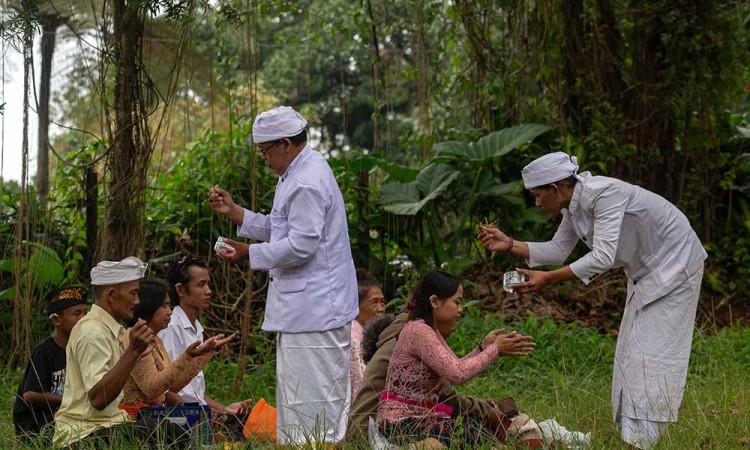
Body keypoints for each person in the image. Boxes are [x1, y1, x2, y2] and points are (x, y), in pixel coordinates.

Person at [478, 151, 707, 449]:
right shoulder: (573, 207)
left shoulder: (605, 195)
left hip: (677, 268)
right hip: (645, 274)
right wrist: (510, 244)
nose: (537, 203)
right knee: (629, 355)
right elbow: (558, 249)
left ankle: (641, 443)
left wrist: (549, 278)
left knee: (652, 358)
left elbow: (603, 256)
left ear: (556, 188)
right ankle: (631, 437)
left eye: (537, 195)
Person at [208, 105, 358, 446]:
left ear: (286, 143)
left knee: (314, 394)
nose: (264, 159)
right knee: (299, 391)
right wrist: (236, 212)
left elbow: (302, 245)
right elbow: (282, 227)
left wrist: (249, 253)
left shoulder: (305, 181)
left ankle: (315, 444)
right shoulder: (299, 172)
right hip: (307, 309)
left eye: (265, 151)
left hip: (315, 309)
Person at [376, 270, 537, 448]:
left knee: (472, 429)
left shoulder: (428, 330)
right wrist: (495, 350)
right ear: (435, 301)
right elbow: (457, 374)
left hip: (419, 418)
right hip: (400, 423)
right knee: (468, 434)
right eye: (457, 302)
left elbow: (455, 366)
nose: (460, 310)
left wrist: (483, 347)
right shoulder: (418, 330)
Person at [53, 257, 188, 448]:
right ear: (111, 295)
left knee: (170, 426)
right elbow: (98, 399)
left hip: (108, 426)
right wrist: (132, 352)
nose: (137, 301)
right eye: (133, 293)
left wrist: (193, 357)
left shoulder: (112, 330)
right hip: (83, 435)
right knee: (168, 432)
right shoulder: (93, 332)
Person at [159, 256, 250, 418]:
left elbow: (195, 394)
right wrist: (203, 416)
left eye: (208, 284)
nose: (209, 291)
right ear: (180, 290)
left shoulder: (196, 330)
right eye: (201, 285)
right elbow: (165, 389)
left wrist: (225, 410)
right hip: (180, 417)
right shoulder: (172, 327)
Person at [121, 280, 234, 410]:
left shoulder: (156, 339)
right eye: (164, 306)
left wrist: (202, 353)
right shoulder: (136, 339)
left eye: (169, 306)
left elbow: (174, 386)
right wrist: (186, 356)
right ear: (149, 306)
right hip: (137, 420)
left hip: (156, 417)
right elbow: (152, 389)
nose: (170, 312)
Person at [13, 287, 88, 445]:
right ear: (56, 320)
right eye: (76, 314)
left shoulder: (82, 348)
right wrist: (71, 399)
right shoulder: (45, 351)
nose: (83, 319)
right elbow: (30, 394)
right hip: (39, 425)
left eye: (85, 313)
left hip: (68, 416)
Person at [350, 269, 386, 400]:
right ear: (357, 306)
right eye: (374, 302)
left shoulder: (373, 334)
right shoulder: (353, 339)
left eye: (382, 302)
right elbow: (360, 384)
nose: (381, 309)